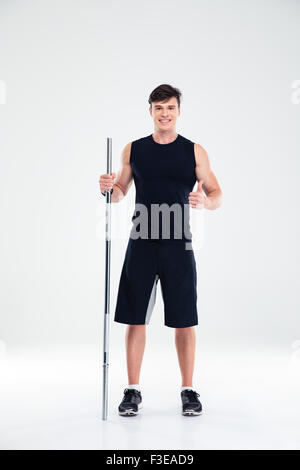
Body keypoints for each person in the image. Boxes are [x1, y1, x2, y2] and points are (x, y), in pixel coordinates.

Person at [99, 84, 223, 417]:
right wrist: (108, 188)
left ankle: (188, 389)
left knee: (184, 319)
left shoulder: (194, 151)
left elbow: (216, 192)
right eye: (158, 108)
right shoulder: (134, 150)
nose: (164, 113)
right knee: (135, 317)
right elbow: (120, 192)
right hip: (141, 242)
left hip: (178, 244)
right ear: (150, 112)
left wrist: (205, 202)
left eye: (169, 107)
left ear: (178, 111)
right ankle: (132, 389)